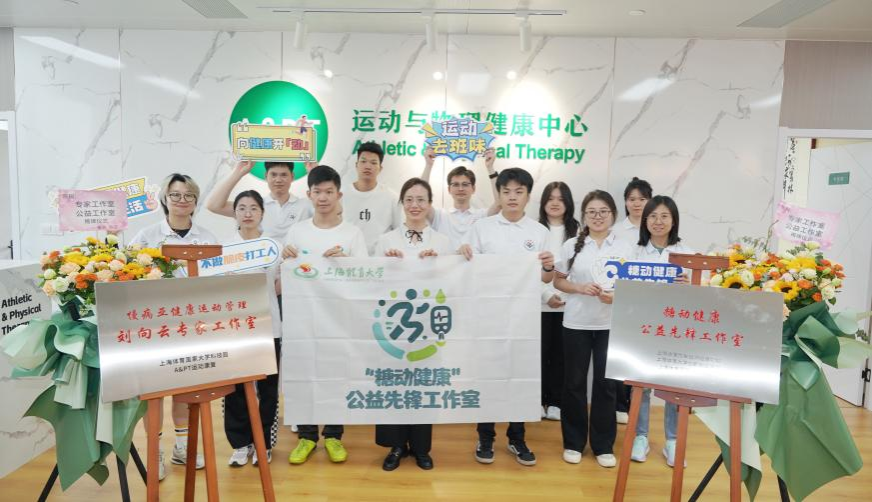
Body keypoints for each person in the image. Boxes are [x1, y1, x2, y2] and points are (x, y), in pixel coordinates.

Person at [459, 167, 555, 467]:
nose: (512, 197)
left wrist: (549, 267)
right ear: (498, 195)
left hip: (524, 319)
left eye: (519, 192)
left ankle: (517, 437)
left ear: (528, 196)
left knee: (521, 377)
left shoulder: (539, 232)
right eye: (506, 192)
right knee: (487, 377)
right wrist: (462, 254)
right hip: (488, 317)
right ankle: (485, 437)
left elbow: (545, 278)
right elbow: (467, 270)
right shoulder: (482, 227)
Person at [129, 173, 217, 480]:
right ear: (165, 199)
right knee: (154, 393)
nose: (182, 200)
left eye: (188, 195)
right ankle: (155, 452)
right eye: (175, 195)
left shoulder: (207, 238)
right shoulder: (146, 236)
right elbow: (129, 275)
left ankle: (182, 446)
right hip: (155, 327)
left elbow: (216, 282)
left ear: (196, 201)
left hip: (192, 327)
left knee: (185, 390)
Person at [282, 165, 368, 465]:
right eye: (317, 192)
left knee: (336, 377)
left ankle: (333, 435)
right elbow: (286, 274)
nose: (323, 198)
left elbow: (365, 278)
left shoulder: (352, 233)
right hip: (303, 320)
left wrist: (347, 263)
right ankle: (306, 437)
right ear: (308, 194)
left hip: (339, 321)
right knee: (304, 375)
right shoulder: (298, 231)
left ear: (339, 195)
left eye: (329, 192)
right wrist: (286, 259)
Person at [374, 177, 453, 471]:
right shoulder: (386, 241)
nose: (415, 205)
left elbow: (453, 284)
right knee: (394, 384)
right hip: (393, 325)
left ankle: (421, 447)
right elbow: (371, 281)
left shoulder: (442, 242)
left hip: (428, 325)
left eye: (421, 199)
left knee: (422, 383)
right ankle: (395, 446)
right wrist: (386, 264)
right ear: (402, 204)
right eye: (409, 199)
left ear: (430, 204)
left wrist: (440, 264)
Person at [553, 190, 632, 468]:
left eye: (603, 212)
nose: (598, 217)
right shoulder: (571, 245)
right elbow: (558, 281)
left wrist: (616, 296)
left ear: (613, 215)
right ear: (584, 215)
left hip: (610, 324)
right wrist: (579, 288)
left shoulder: (625, 248)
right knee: (574, 384)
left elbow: (634, 286)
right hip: (576, 322)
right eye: (592, 212)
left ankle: (603, 445)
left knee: (606, 385)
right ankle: (573, 442)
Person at [629, 195, 693, 468]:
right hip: (643, 326)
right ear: (645, 221)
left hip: (675, 328)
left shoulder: (687, 253)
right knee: (641, 385)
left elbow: (702, 291)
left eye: (664, 216)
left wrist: (690, 284)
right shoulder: (633, 252)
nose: (658, 221)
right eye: (653, 216)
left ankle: (673, 441)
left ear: (674, 220)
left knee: (672, 385)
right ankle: (640, 436)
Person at [222, 191, 282, 467]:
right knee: (235, 388)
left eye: (253, 208)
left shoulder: (273, 247)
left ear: (262, 213)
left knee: (267, 389)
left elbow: (281, 282)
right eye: (242, 208)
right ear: (234, 213)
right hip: (235, 329)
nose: (247, 213)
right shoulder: (225, 248)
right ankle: (240, 443)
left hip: (269, 326)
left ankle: (263, 443)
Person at [611, 176, 652, 424]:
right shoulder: (616, 231)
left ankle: (636, 405)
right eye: (631, 199)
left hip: (648, 302)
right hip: (621, 300)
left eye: (642, 199)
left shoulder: (656, 228)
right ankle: (620, 405)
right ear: (625, 202)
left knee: (640, 355)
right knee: (621, 353)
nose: (636, 204)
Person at [538, 182, 579, 422]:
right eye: (551, 198)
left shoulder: (577, 231)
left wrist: (563, 296)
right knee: (539, 355)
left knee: (562, 357)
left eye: (561, 199)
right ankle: (538, 400)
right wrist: (546, 295)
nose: (555, 203)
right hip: (538, 305)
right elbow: (528, 270)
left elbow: (579, 269)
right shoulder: (535, 230)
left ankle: (555, 402)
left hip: (568, 304)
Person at [206, 159, 313, 241]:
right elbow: (213, 206)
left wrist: (315, 173)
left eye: (284, 175)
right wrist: (238, 172)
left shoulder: (306, 205)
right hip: (261, 263)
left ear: (292, 176)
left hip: (297, 263)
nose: (278, 180)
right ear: (266, 176)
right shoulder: (254, 206)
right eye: (273, 175)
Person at [421, 147, 500, 249]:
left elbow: (499, 203)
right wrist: (428, 165)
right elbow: (421, 198)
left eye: (465, 184)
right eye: (456, 185)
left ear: (473, 189)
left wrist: (490, 168)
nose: (461, 189)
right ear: (449, 189)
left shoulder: (482, 216)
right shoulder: (439, 216)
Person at [341, 141, 403, 253]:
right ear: (356, 165)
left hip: (381, 259)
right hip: (348, 258)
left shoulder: (392, 198)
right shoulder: (341, 195)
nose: (368, 166)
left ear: (380, 168)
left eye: (373, 163)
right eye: (363, 161)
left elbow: (400, 230)